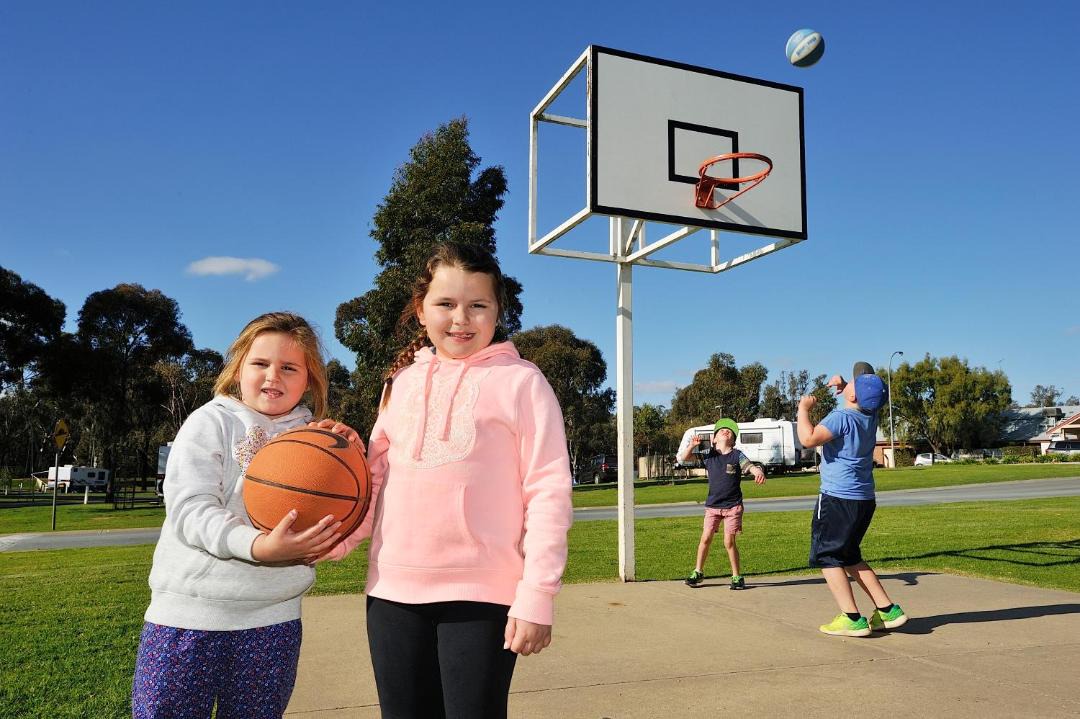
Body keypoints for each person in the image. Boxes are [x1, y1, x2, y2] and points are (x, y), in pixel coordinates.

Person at [323, 243, 574, 719]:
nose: (462, 318)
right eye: (445, 304)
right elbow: (375, 479)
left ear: (498, 312)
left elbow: (548, 491)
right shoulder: (400, 381)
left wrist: (537, 595)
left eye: (478, 305)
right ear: (421, 310)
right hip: (392, 591)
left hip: (482, 596)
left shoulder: (523, 382)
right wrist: (337, 539)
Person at [131, 312, 362, 718]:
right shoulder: (210, 422)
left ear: (309, 380)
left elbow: (345, 513)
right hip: (188, 617)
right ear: (238, 370)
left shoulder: (317, 438)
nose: (273, 376)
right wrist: (256, 545)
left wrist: (353, 457)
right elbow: (190, 508)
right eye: (260, 364)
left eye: (289, 367)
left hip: (273, 620)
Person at [796, 361, 909, 637]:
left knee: (828, 556)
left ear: (853, 395)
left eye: (852, 385)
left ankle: (852, 617)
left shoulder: (841, 418)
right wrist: (846, 384)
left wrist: (803, 409)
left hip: (837, 498)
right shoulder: (870, 417)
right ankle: (888, 610)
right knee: (850, 555)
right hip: (864, 499)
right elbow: (861, 396)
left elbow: (808, 439)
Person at [677, 418, 766, 590]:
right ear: (714, 439)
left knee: (729, 542)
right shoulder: (708, 455)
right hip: (712, 507)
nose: (726, 431)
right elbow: (684, 458)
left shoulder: (737, 455)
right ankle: (698, 572)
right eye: (721, 431)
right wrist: (691, 446)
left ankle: (737, 577)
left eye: (729, 431)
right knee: (705, 538)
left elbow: (749, 466)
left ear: (733, 440)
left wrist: (757, 472)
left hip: (733, 507)